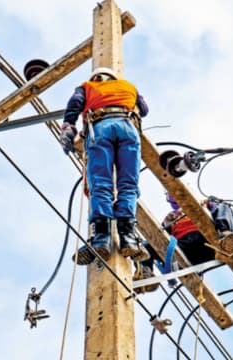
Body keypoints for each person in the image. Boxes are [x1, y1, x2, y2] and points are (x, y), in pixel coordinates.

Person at [60, 67, 150, 265]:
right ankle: (128, 238)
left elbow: (75, 104)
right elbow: (144, 109)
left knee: (100, 184)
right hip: (128, 128)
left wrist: (68, 127)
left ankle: (101, 239)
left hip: (100, 127)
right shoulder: (129, 87)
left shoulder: (87, 86)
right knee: (129, 185)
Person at [137, 193, 233, 292]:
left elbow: (220, 209)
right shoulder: (173, 217)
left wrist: (209, 204)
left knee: (224, 205)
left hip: (205, 241)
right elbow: (160, 238)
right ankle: (145, 273)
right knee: (146, 245)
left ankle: (225, 238)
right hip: (182, 248)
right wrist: (167, 223)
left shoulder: (202, 204)